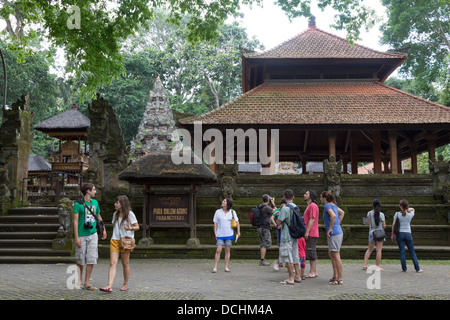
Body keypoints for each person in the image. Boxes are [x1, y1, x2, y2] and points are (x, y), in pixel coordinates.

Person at [100, 195, 139, 292]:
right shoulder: (115, 214)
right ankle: (109, 285)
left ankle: (125, 284)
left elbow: (137, 227)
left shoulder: (130, 214)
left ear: (122, 204)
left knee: (125, 263)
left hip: (126, 241)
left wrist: (130, 228)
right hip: (115, 240)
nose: (115, 204)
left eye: (117, 203)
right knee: (112, 263)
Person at [72, 183, 107, 290]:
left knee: (91, 258)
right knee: (80, 258)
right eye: (94, 189)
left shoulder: (95, 203)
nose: (95, 191)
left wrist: (104, 229)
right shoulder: (78, 204)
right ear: (88, 191)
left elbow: (99, 216)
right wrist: (76, 237)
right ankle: (79, 281)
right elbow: (75, 221)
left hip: (93, 234)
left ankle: (87, 282)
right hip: (82, 234)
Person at [277, 189, 302, 285]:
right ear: (293, 197)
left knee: (288, 256)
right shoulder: (296, 207)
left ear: (284, 197)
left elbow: (279, 222)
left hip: (286, 235)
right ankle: (298, 276)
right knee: (295, 255)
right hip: (294, 235)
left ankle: (290, 278)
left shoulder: (285, 208)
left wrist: (279, 217)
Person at [320, 191, 345, 285]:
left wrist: (331, 228)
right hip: (337, 232)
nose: (320, 199)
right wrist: (338, 224)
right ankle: (335, 275)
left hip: (334, 233)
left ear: (325, 198)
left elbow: (333, 215)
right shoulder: (333, 205)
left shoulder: (327, 206)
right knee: (331, 254)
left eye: (321, 197)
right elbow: (342, 213)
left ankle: (340, 277)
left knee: (336, 254)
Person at [392, 200, 423, 273]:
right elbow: (413, 209)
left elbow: (393, 224)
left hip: (400, 234)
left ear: (401, 206)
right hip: (408, 233)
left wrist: (393, 234)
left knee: (402, 251)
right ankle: (417, 268)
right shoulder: (410, 214)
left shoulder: (397, 214)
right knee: (412, 252)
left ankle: (404, 268)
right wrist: (408, 209)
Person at [212, 198, 240, 273]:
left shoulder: (232, 212)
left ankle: (226, 266)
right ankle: (215, 267)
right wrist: (215, 233)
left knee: (227, 250)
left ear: (227, 204)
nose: (222, 202)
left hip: (229, 234)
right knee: (218, 250)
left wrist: (238, 232)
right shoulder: (218, 212)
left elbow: (237, 222)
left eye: (224, 201)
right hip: (220, 234)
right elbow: (215, 223)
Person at [362, 199, 386, 271]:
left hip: (372, 232)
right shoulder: (381, 214)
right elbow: (384, 225)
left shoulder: (369, 213)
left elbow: (369, 223)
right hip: (380, 232)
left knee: (370, 249)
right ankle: (377, 266)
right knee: (379, 250)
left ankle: (365, 265)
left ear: (373, 205)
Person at [256, 194, 276, 266]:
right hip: (265, 227)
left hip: (259, 227)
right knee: (265, 243)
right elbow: (276, 211)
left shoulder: (259, 206)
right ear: (268, 200)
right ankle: (262, 260)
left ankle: (262, 259)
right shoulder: (266, 208)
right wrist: (273, 203)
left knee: (262, 243)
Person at [303, 190, 319, 278]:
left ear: (311, 196)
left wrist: (307, 231)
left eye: (306, 194)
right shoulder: (309, 206)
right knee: (310, 250)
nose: (304, 195)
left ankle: (312, 271)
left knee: (311, 250)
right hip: (311, 232)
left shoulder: (312, 206)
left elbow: (312, 219)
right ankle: (313, 271)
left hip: (311, 232)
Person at [271, 198, 287, 271]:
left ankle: (281, 262)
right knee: (282, 246)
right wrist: (277, 225)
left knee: (282, 246)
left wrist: (276, 226)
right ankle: (280, 261)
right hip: (282, 230)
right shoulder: (280, 211)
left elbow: (272, 218)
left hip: (284, 230)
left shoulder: (277, 210)